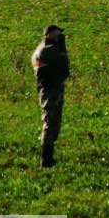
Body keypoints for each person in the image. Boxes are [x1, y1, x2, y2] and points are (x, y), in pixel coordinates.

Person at [31, 24, 70, 168]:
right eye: (57, 34)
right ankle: (46, 160)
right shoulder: (50, 49)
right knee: (50, 124)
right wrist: (62, 50)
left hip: (45, 88)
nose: (60, 36)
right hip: (52, 89)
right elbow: (65, 67)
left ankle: (48, 158)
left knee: (50, 122)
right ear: (49, 34)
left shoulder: (38, 49)